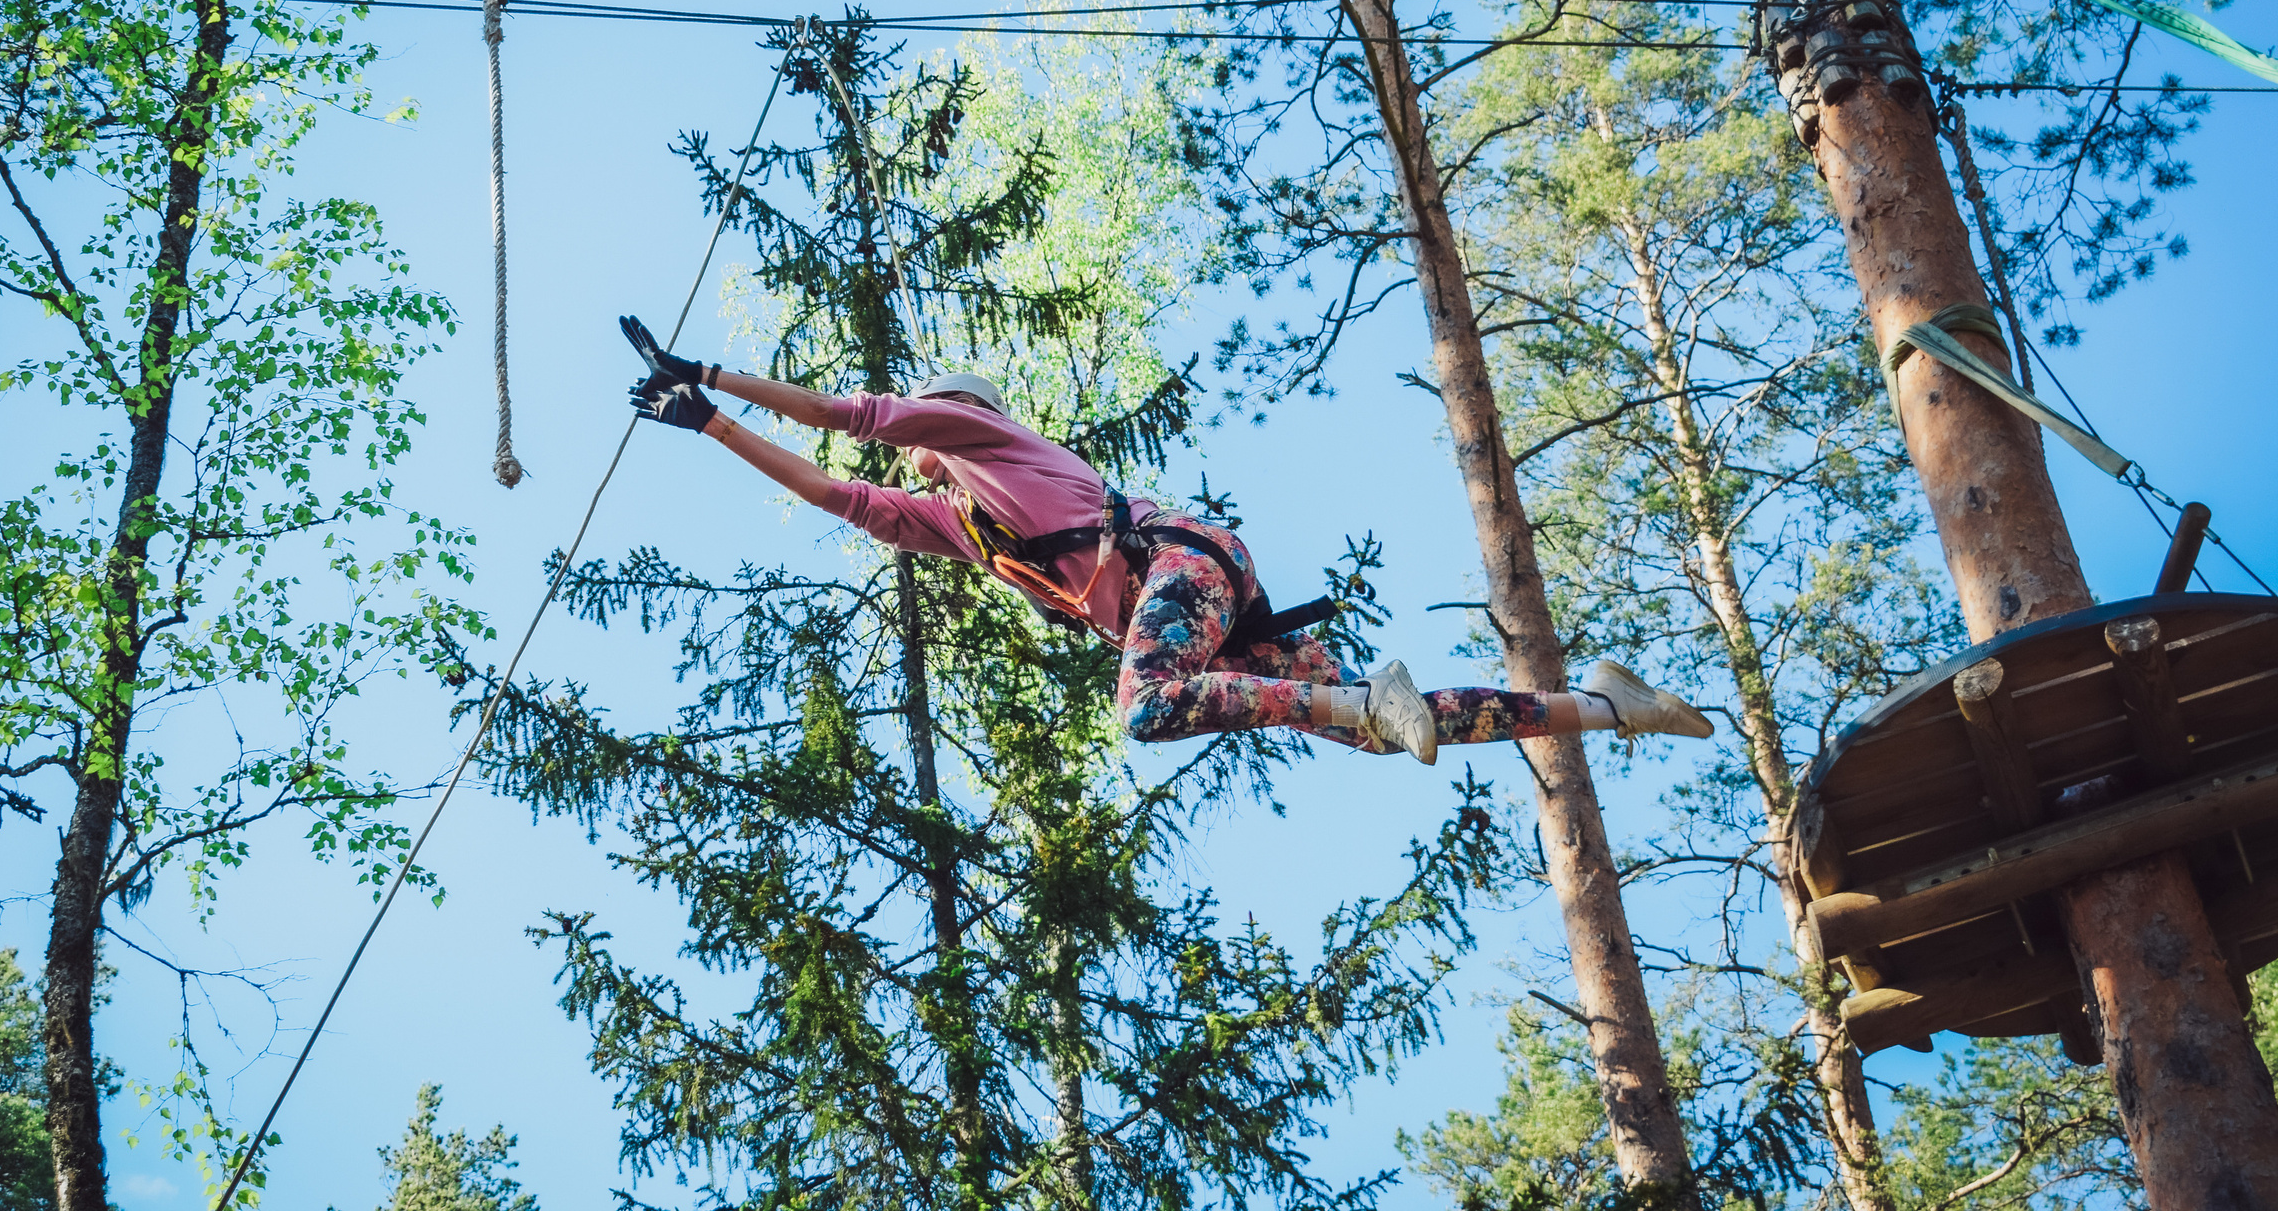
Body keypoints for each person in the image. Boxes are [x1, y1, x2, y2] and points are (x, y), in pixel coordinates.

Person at [619, 317, 1713, 764]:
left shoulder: (975, 431)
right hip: (1207, 608)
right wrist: (709, 430)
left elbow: (841, 423)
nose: (903, 450)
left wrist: (709, 374)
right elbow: (834, 495)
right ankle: (1609, 706)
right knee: (1389, 734)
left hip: (1182, 567)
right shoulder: (967, 526)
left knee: (1145, 710)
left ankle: (1350, 699)